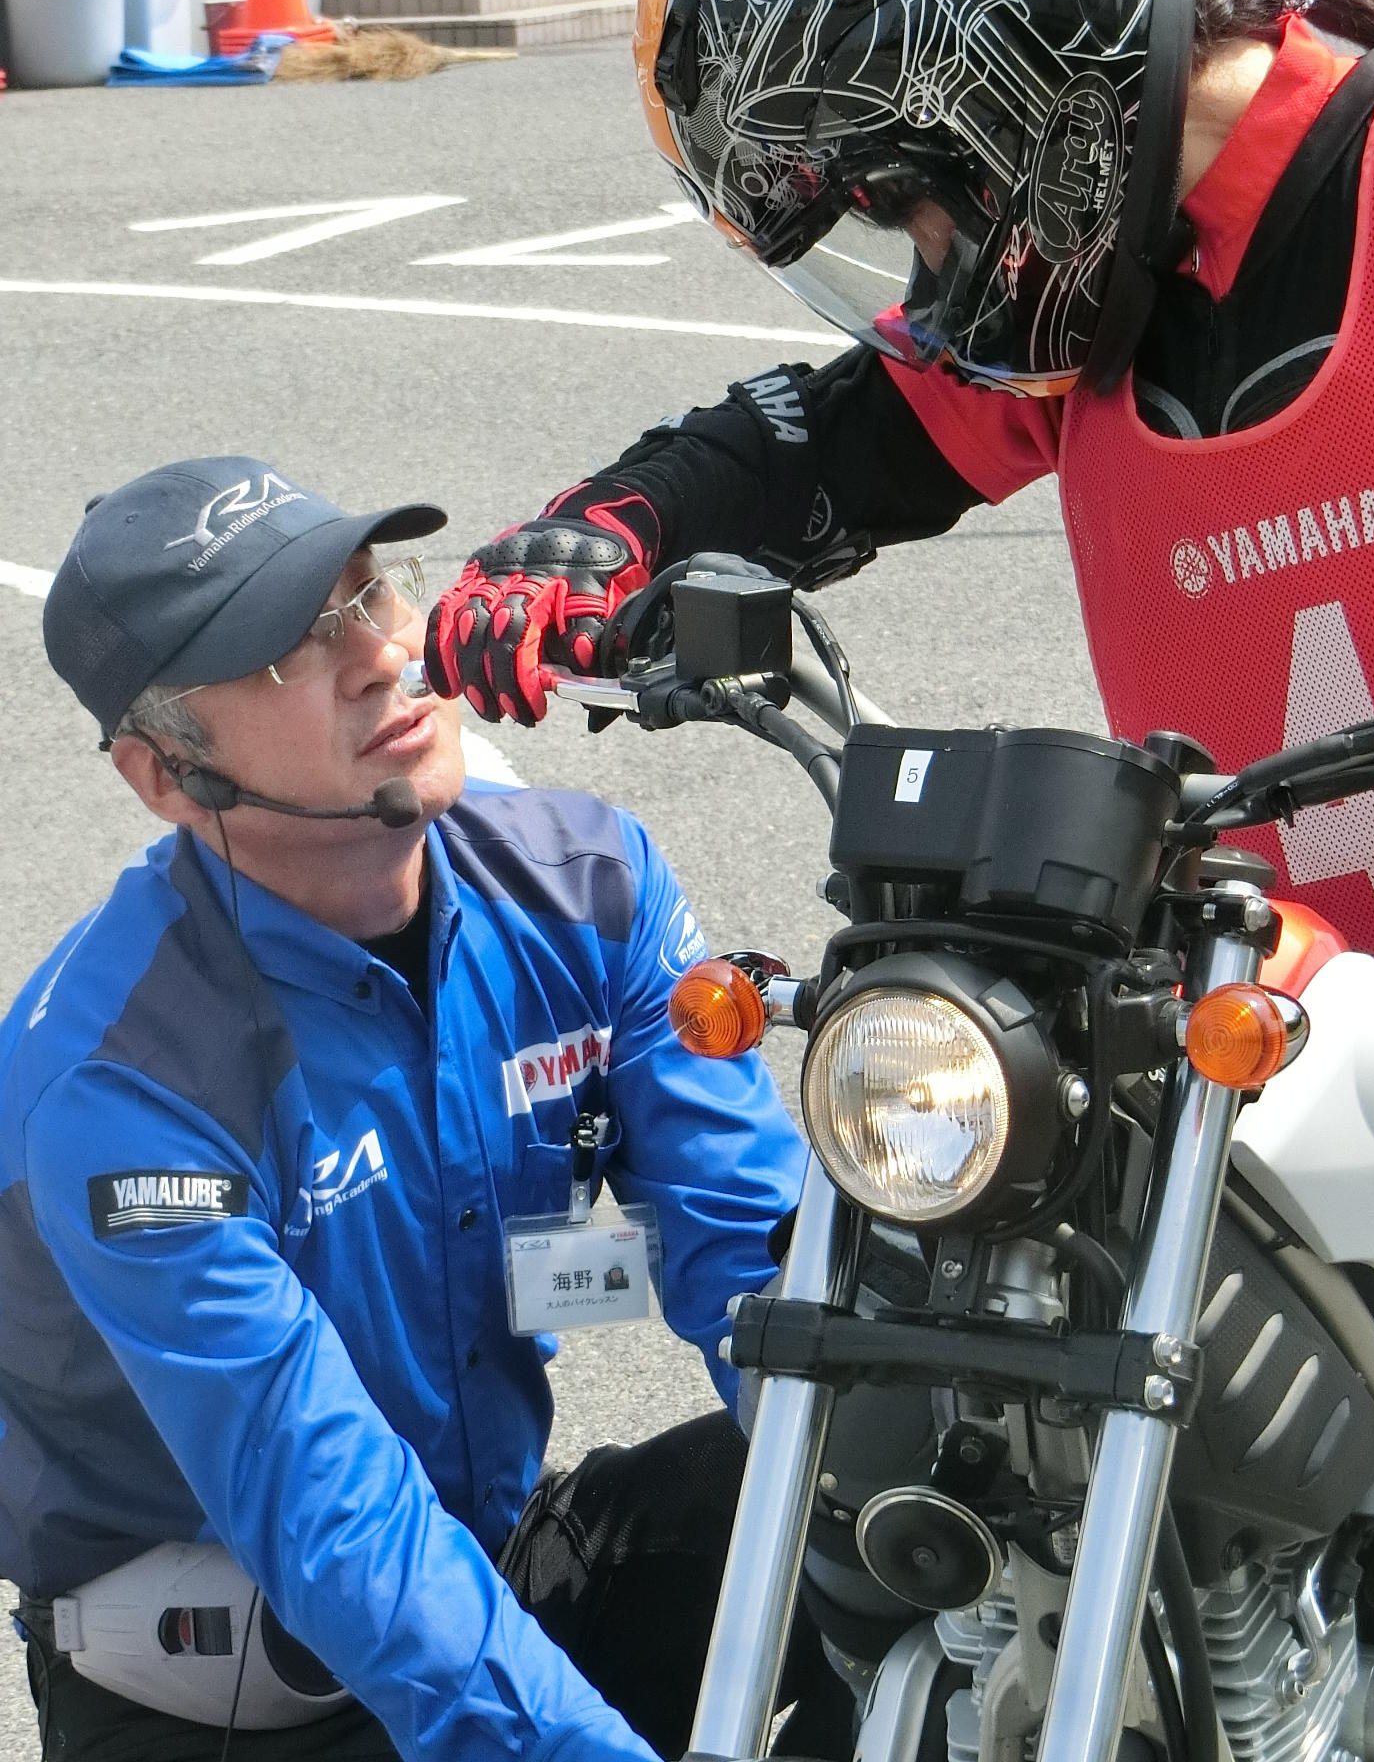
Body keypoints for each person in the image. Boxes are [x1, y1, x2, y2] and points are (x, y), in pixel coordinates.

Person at [422, 0, 1374, 1254]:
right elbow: (822, 445)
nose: (932, 276)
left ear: (1029, 85)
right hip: (1284, 1078)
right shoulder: (1092, 301)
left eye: (907, 207)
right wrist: (610, 529)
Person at [0, 457, 830, 1762]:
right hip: (243, 1701)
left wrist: (863, 1481)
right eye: (284, 649)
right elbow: (338, 1523)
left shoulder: (584, 883)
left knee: (892, 1490)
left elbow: (747, 1264)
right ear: (167, 776)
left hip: (485, 1573)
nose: (383, 653)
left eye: (368, 592)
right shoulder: (121, 1086)